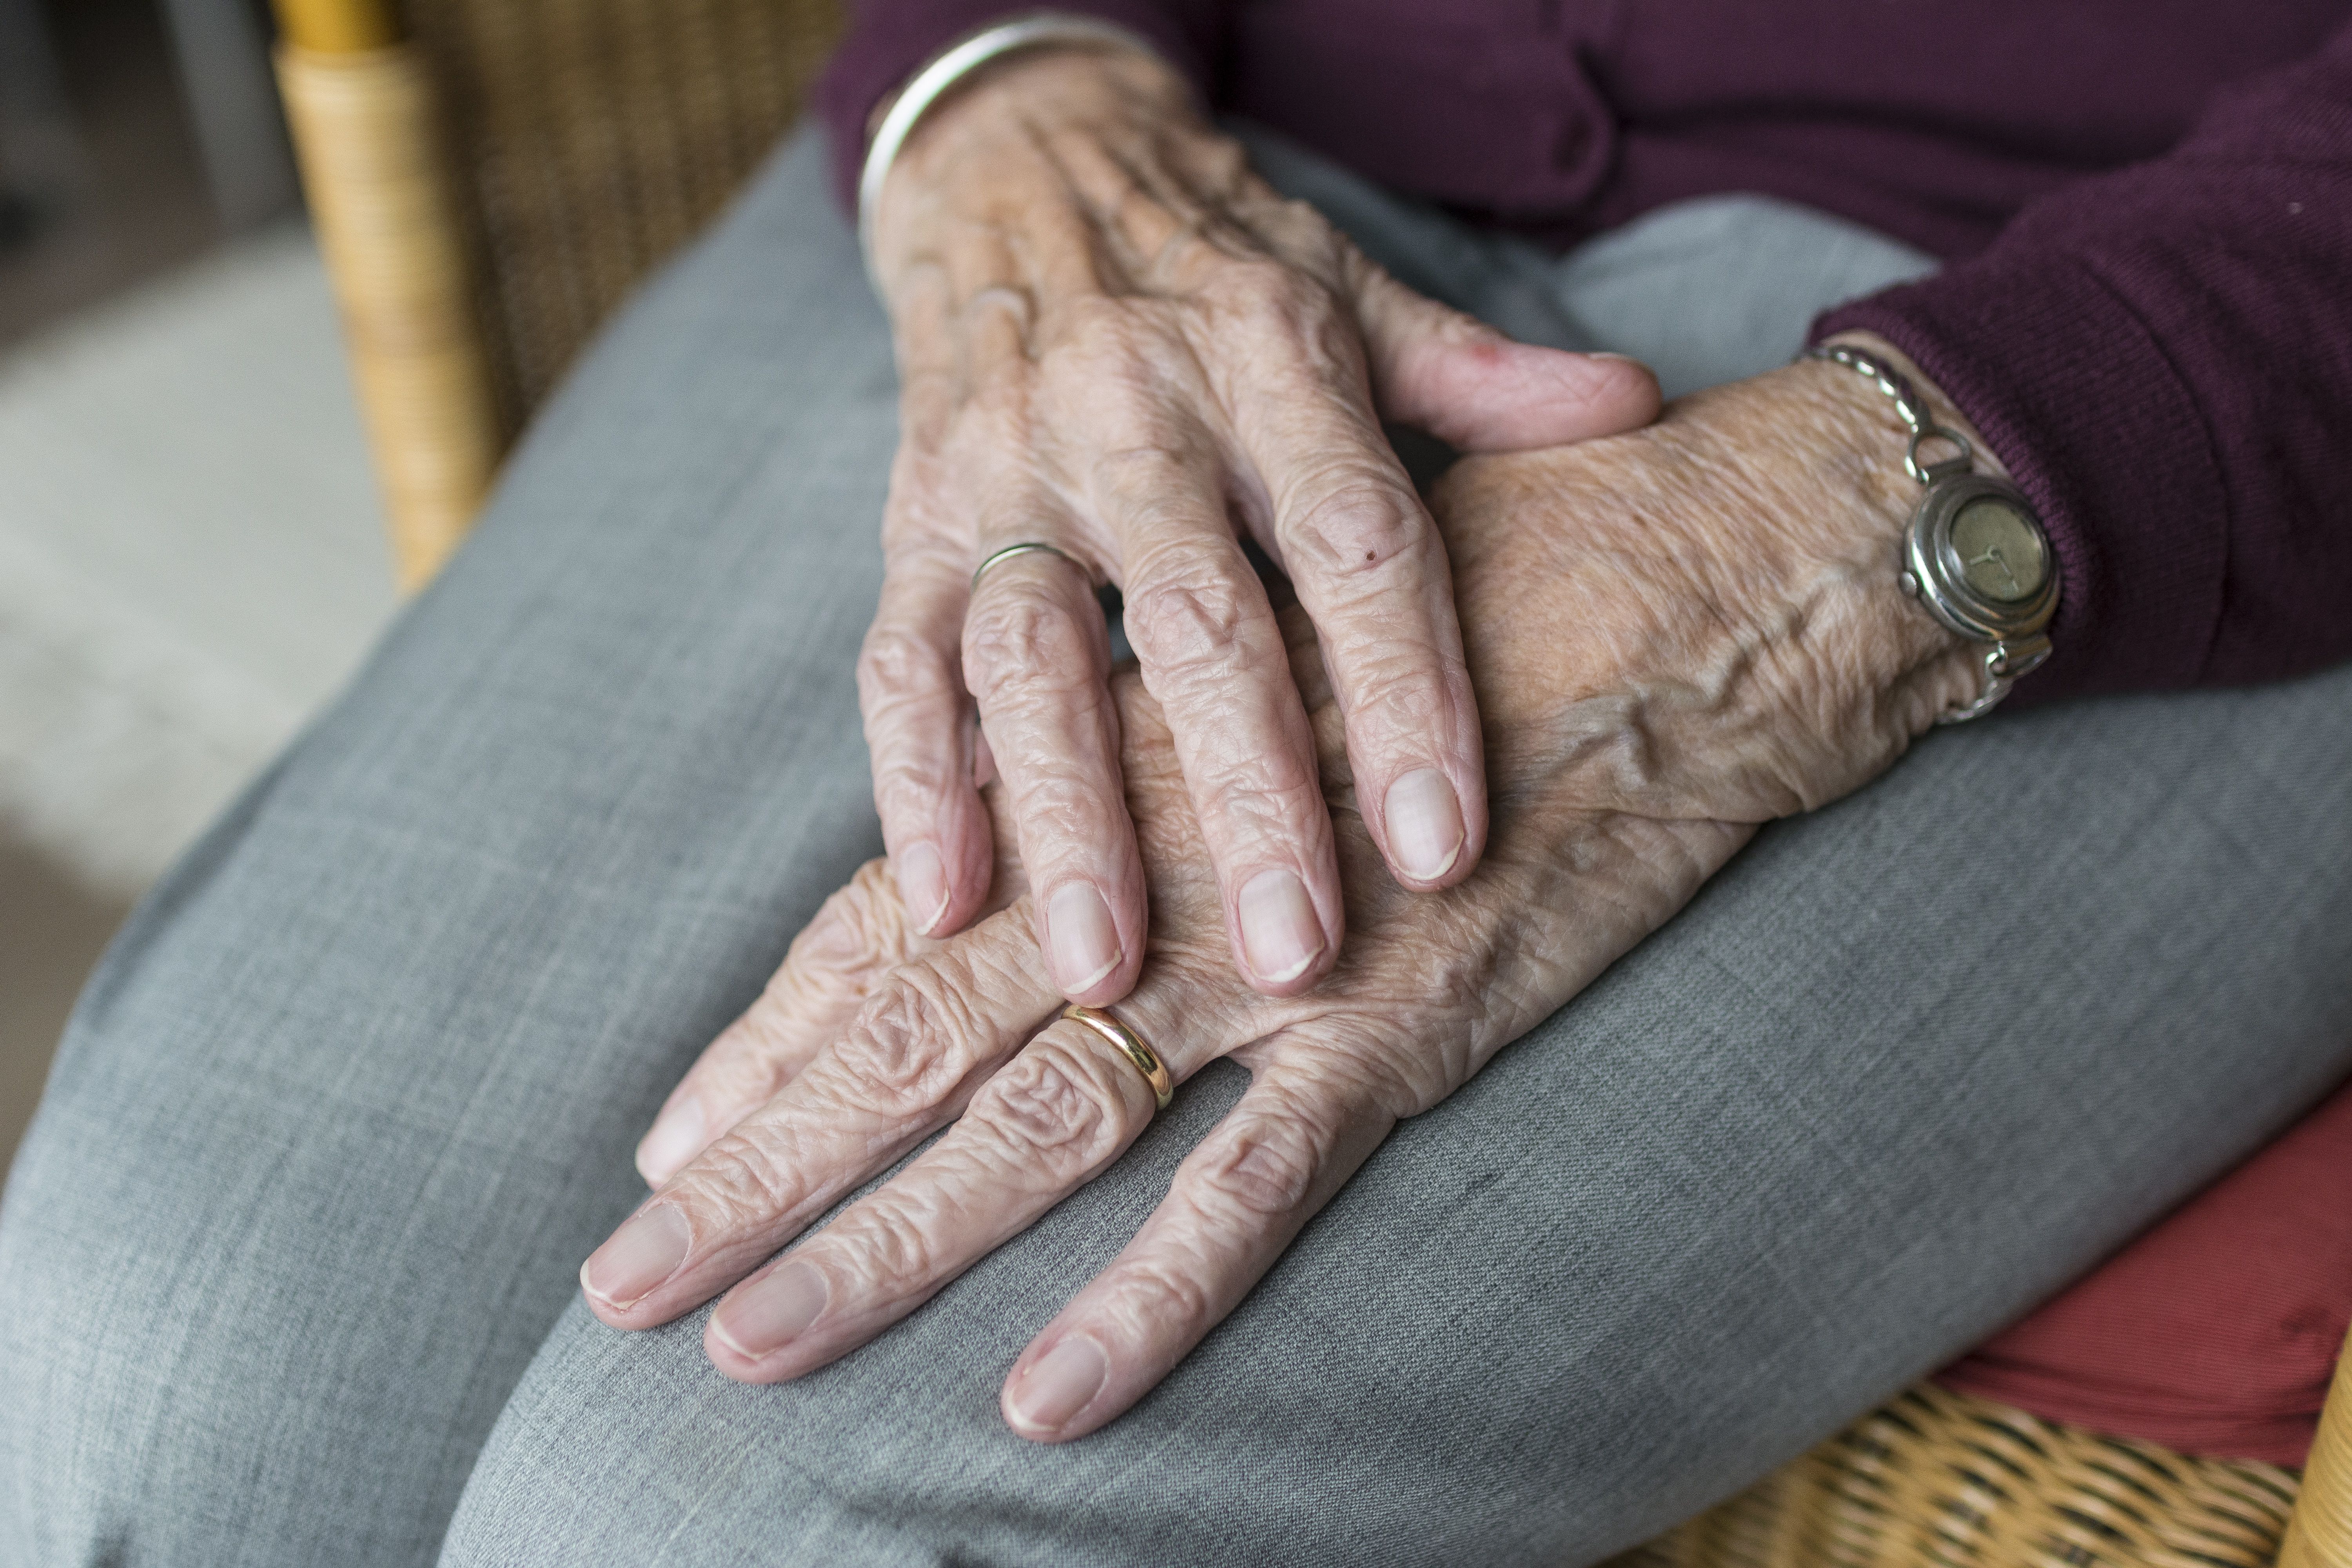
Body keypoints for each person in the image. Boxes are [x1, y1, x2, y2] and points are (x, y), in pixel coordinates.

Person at [3, 6, 2350, 1566]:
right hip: (1174, 115)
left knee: (743, 1520)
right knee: (159, 1354)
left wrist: (1841, 534)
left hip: (2140, 326)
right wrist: (1006, 79)